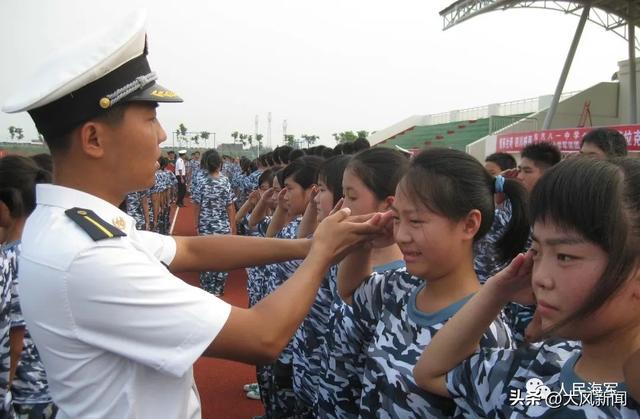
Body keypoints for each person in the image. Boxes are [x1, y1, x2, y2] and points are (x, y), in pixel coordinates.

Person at [1, 12, 382, 419]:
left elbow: (190, 250)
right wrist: (321, 253)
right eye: (150, 118)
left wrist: (305, 245)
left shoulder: (75, 225)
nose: (162, 135)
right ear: (94, 138)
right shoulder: (87, 254)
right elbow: (263, 337)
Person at [414, 156, 640, 417]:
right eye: (536, 251)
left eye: (565, 256)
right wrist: (498, 291)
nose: (540, 276)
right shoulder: (537, 366)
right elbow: (430, 373)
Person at [316, 148, 409, 418]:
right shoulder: (351, 258)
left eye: (351, 196)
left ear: (387, 205)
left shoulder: (396, 283)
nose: (342, 206)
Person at [0, 156, 57, 419]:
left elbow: (15, 341)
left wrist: (6, 389)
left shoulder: (9, 260)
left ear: (4, 208)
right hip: (56, 382)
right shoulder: (50, 249)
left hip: (25, 391)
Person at [192, 150, 237, 297]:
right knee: (222, 259)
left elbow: (197, 205)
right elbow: (230, 206)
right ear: (220, 164)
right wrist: (233, 226)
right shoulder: (225, 181)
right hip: (222, 226)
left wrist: (196, 225)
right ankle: (218, 289)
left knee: (205, 260)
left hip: (205, 226)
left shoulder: (201, 181)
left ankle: (207, 289)